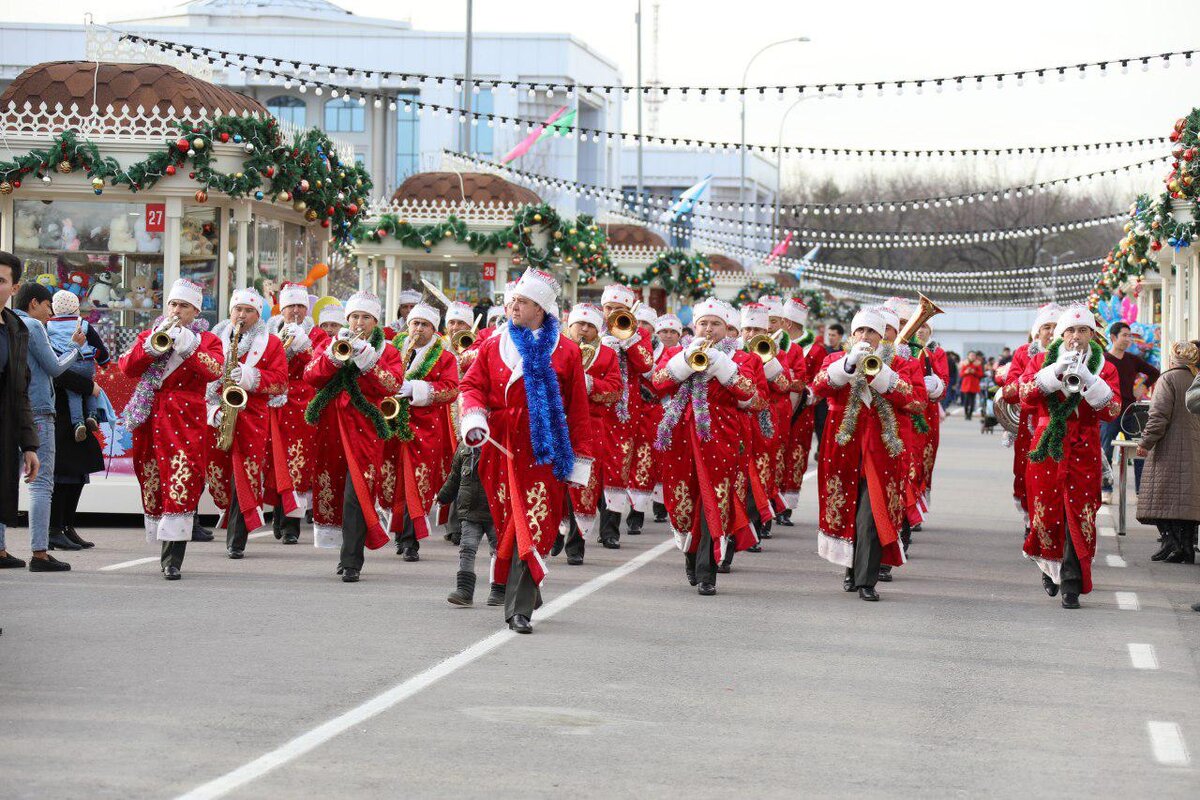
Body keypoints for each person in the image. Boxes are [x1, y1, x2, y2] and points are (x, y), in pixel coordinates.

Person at [459, 268, 594, 633]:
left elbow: (577, 408)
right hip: (500, 447)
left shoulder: (566, 351)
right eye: (514, 300)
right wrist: (475, 418)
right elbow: (471, 386)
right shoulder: (492, 343)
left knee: (534, 524)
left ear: (541, 308)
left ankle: (518, 609)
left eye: (523, 301)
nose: (514, 306)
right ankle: (527, 587)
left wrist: (579, 458)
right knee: (509, 524)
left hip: (544, 448)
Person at [651, 297, 763, 595]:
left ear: (728, 329)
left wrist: (723, 367)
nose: (709, 329)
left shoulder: (745, 359)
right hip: (680, 436)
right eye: (704, 323)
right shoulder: (677, 352)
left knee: (714, 502)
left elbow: (753, 396)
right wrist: (685, 362)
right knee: (681, 504)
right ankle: (691, 555)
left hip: (721, 435)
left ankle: (707, 571)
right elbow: (658, 383)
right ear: (694, 326)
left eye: (716, 324)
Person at [811, 306, 922, 600]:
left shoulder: (901, 362)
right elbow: (818, 387)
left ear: (883, 335)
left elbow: (916, 400)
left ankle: (866, 580)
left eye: (871, 331)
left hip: (882, 445)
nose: (865, 336)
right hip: (842, 443)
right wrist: (847, 366)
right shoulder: (835, 358)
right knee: (846, 506)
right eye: (859, 330)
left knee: (872, 512)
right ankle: (851, 568)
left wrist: (883, 373)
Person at [119, 279, 225, 580]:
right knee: (151, 474)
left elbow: (214, 370)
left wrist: (187, 345)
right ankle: (164, 542)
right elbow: (127, 367)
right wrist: (150, 347)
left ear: (195, 311)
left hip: (185, 418)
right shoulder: (151, 332)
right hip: (151, 414)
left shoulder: (207, 340)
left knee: (183, 476)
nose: (176, 311)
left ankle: (172, 557)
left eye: (184, 306)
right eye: (173, 304)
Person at [1018, 303, 1121, 609]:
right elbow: (1024, 397)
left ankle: (1072, 583)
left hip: (1084, 446)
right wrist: (1054, 372)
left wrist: (1089, 379)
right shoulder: (1040, 360)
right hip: (1047, 445)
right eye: (1071, 331)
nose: (1076, 337)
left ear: (1092, 334)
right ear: (1062, 334)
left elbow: (1112, 409)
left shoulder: (1107, 367)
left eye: (1083, 331)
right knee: (1046, 510)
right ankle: (1050, 567)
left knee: (1080, 512)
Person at [304, 291, 406, 582]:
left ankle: (352, 560)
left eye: (365, 317)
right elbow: (311, 376)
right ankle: (342, 551)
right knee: (332, 486)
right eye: (354, 317)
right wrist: (332, 356)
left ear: (375, 321)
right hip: (331, 426)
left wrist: (366, 358)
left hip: (364, 428)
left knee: (356, 491)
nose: (359, 322)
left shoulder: (387, 351)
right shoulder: (330, 343)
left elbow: (391, 384)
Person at [0, 281, 87, 570]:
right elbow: (54, 367)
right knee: (41, 485)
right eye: (48, 305)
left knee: (5, 480)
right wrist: (75, 348)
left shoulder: (7, 324)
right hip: (36, 411)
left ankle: (1, 550)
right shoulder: (32, 327)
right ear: (34, 303)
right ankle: (39, 552)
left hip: (9, 411)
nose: (50, 313)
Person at [204, 288, 289, 559]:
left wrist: (251, 376)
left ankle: (236, 538)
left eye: (248, 310)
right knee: (217, 474)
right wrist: (211, 409)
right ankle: (230, 517)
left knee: (245, 474)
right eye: (237, 309)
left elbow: (280, 382)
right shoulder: (213, 339)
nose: (242, 315)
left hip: (252, 416)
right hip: (217, 413)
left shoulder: (271, 343)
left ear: (258, 314)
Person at [385, 301, 460, 562]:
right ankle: (400, 534)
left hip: (425, 429)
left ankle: (410, 541)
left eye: (425, 325)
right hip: (393, 425)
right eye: (415, 323)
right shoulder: (393, 350)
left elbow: (451, 389)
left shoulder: (445, 356)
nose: (418, 329)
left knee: (416, 484)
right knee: (394, 483)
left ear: (434, 329)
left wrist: (416, 389)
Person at [595, 284, 656, 549]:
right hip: (594, 409)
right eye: (607, 308)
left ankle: (610, 530)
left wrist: (627, 340)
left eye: (617, 310)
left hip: (624, 412)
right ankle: (585, 520)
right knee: (590, 466)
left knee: (617, 468)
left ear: (629, 310)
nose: (610, 314)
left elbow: (646, 365)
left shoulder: (639, 333)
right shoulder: (589, 328)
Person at [558, 303, 619, 565]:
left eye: (590, 325)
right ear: (569, 325)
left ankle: (575, 544)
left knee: (582, 485)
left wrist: (589, 383)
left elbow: (616, 390)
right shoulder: (557, 348)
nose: (584, 329)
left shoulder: (607, 355)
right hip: (557, 424)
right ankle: (552, 534)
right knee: (554, 484)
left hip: (590, 428)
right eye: (579, 324)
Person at [265, 282, 326, 544]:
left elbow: (322, 366)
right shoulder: (268, 331)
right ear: (282, 308)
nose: (296, 311)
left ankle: (292, 524)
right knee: (274, 461)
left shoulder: (318, 335)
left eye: (301, 306)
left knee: (297, 464)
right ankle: (279, 510)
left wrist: (305, 348)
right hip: (274, 403)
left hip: (303, 405)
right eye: (291, 306)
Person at [996, 303, 1061, 536]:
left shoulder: (1069, 354)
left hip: (1062, 426)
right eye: (1046, 327)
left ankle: (1054, 524)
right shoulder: (1024, 353)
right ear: (1037, 331)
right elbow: (1009, 390)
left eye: (1056, 326)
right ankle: (1030, 520)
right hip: (1030, 424)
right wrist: (1030, 379)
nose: (1051, 332)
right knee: (1026, 472)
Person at [1135, 342, 1200, 564]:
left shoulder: (1168, 379)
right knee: (1188, 501)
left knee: (1163, 497)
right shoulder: (1197, 379)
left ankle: (1171, 542)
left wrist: (1146, 442)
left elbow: (1158, 416)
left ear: (1172, 359)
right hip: (1195, 448)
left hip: (1169, 447)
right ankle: (1186, 548)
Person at [776, 297, 825, 525]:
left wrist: (806, 393)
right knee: (775, 453)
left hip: (802, 410)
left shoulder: (815, 349)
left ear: (787, 322)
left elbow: (820, 381)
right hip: (776, 407)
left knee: (795, 455)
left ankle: (786, 506)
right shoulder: (774, 342)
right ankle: (770, 501)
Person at [1101, 320, 1160, 503]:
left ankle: (1140, 492)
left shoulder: (1132, 359)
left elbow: (1154, 372)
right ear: (1113, 337)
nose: (1128, 339)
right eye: (1124, 335)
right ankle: (1106, 489)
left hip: (1131, 411)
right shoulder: (1102, 360)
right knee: (1106, 451)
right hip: (1109, 412)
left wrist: (1142, 386)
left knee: (1139, 450)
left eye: (1129, 336)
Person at [439, 442, 501, 606]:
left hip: (495, 511)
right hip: (469, 510)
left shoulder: (499, 444)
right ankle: (465, 591)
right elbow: (454, 477)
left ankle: (499, 589)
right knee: (467, 548)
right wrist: (442, 496)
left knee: (499, 551)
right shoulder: (464, 447)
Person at [45, 290, 109, 442]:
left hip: (66, 365)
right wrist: (104, 362)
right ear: (75, 308)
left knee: (73, 394)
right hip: (85, 363)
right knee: (90, 388)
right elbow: (99, 346)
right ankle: (92, 415)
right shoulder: (83, 324)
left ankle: (78, 422)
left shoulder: (48, 325)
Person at [959, 352, 983, 420]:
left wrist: (974, 372)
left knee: (972, 401)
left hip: (974, 384)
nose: (972, 357)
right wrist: (966, 372)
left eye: (973, 355)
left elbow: (981, 374)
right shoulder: (965, 363)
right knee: (966, 400)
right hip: (966, 384)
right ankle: (966, 414)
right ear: (968, 356)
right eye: (971, 355)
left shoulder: (978, 364)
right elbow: (961, 374)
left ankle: (970, 415)